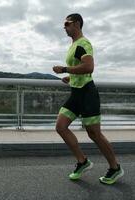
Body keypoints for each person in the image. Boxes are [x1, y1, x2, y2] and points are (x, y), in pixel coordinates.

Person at [53, 13, 124, 185]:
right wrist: (71, 77)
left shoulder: (83, 43)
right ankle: (82, 161)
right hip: (76, 93)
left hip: (87, 94)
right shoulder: (74, 45)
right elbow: (81, 68)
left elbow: (89, 67)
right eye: (64, 24)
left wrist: (64, 69)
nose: (64, 26)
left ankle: (115, 168)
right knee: (61, 127)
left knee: (94, 134)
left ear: (77, 24)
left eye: (67, 23)